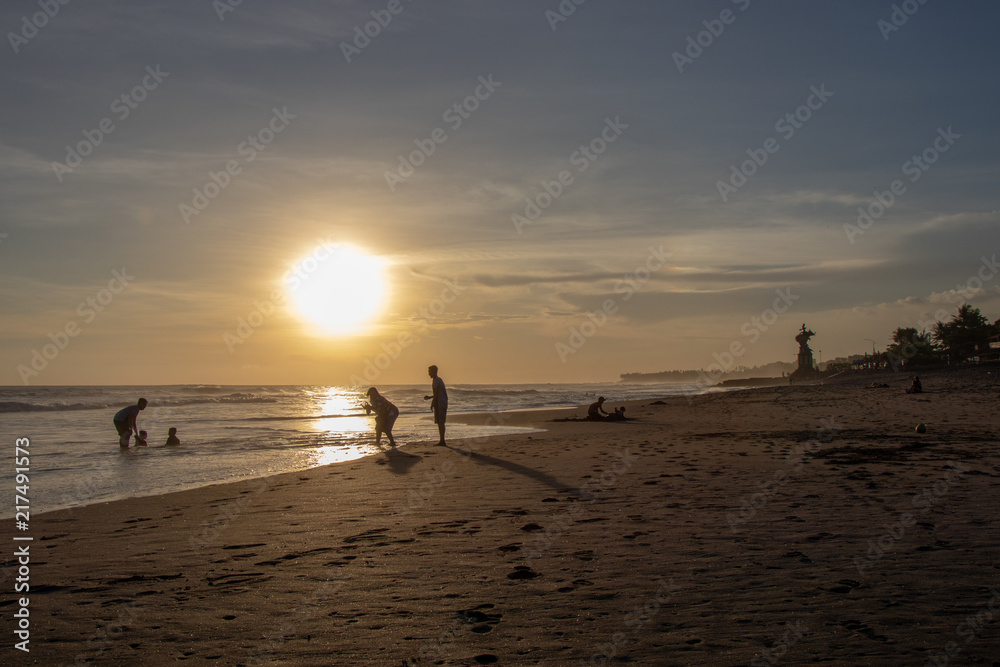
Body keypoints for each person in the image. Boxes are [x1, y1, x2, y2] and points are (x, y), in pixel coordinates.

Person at [424, 365, 448, 445]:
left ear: (433, 372)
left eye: (429, 372)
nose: (428, 374)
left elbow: (437, 394)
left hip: (440, 403)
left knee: (440, 421)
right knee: (440, 421)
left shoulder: (436, 381)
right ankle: (442, 440)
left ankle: (442, 440)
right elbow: (437, 393)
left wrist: (432, 403)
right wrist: (430, 397)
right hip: (442, 402)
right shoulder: (438, 380)